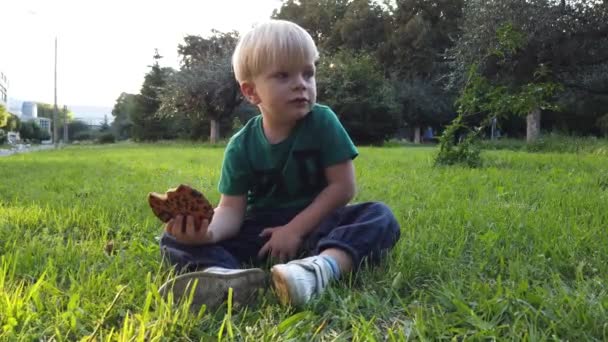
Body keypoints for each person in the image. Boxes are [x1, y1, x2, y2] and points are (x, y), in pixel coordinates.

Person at [158, 19, 401, 310]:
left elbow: (343, 187)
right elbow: (231, 210)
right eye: (283, 76)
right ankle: (225, 278)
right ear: (251, 92)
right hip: (263, 234)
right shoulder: (241, 145)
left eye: (308, 73)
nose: (301, 84)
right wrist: (206, 234)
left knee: (379, 216)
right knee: (171, 239)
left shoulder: (323, 122)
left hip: (318, 225)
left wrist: (295, 229)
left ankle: (318, 270)